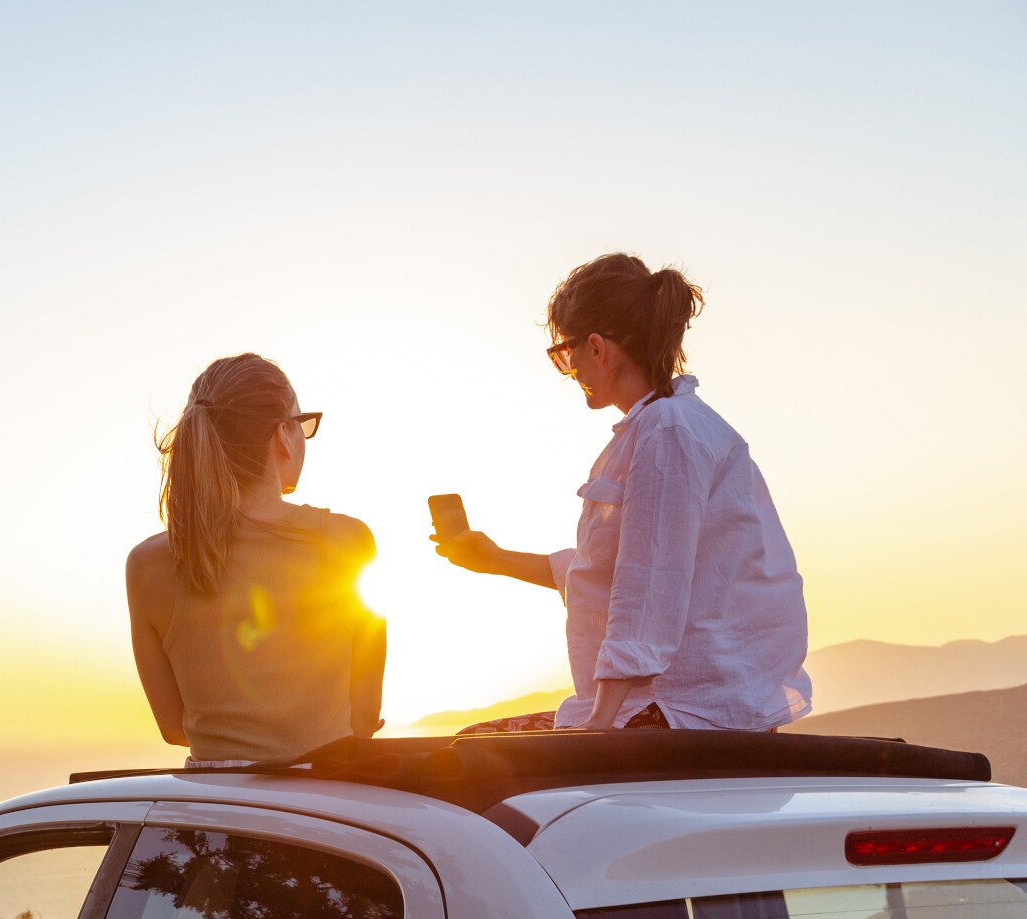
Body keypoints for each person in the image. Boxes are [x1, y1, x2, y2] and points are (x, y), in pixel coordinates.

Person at [434, 254, 810, 732]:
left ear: (596, 347)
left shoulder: (666, 431)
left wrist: (600, 726)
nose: (568, 369)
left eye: (564, 354)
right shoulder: (671, 424)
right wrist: (496, 559)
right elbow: (615, 571)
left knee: (473, 750)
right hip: (689, 706)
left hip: (680, 713)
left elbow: (649, 583)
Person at [126, 353, 385, 765]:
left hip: (216, 814)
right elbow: (366, 715)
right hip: (327, 809)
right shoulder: (346, 540)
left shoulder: (146, 563)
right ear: (283, 434)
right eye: (303, 424)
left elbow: (175, 728)